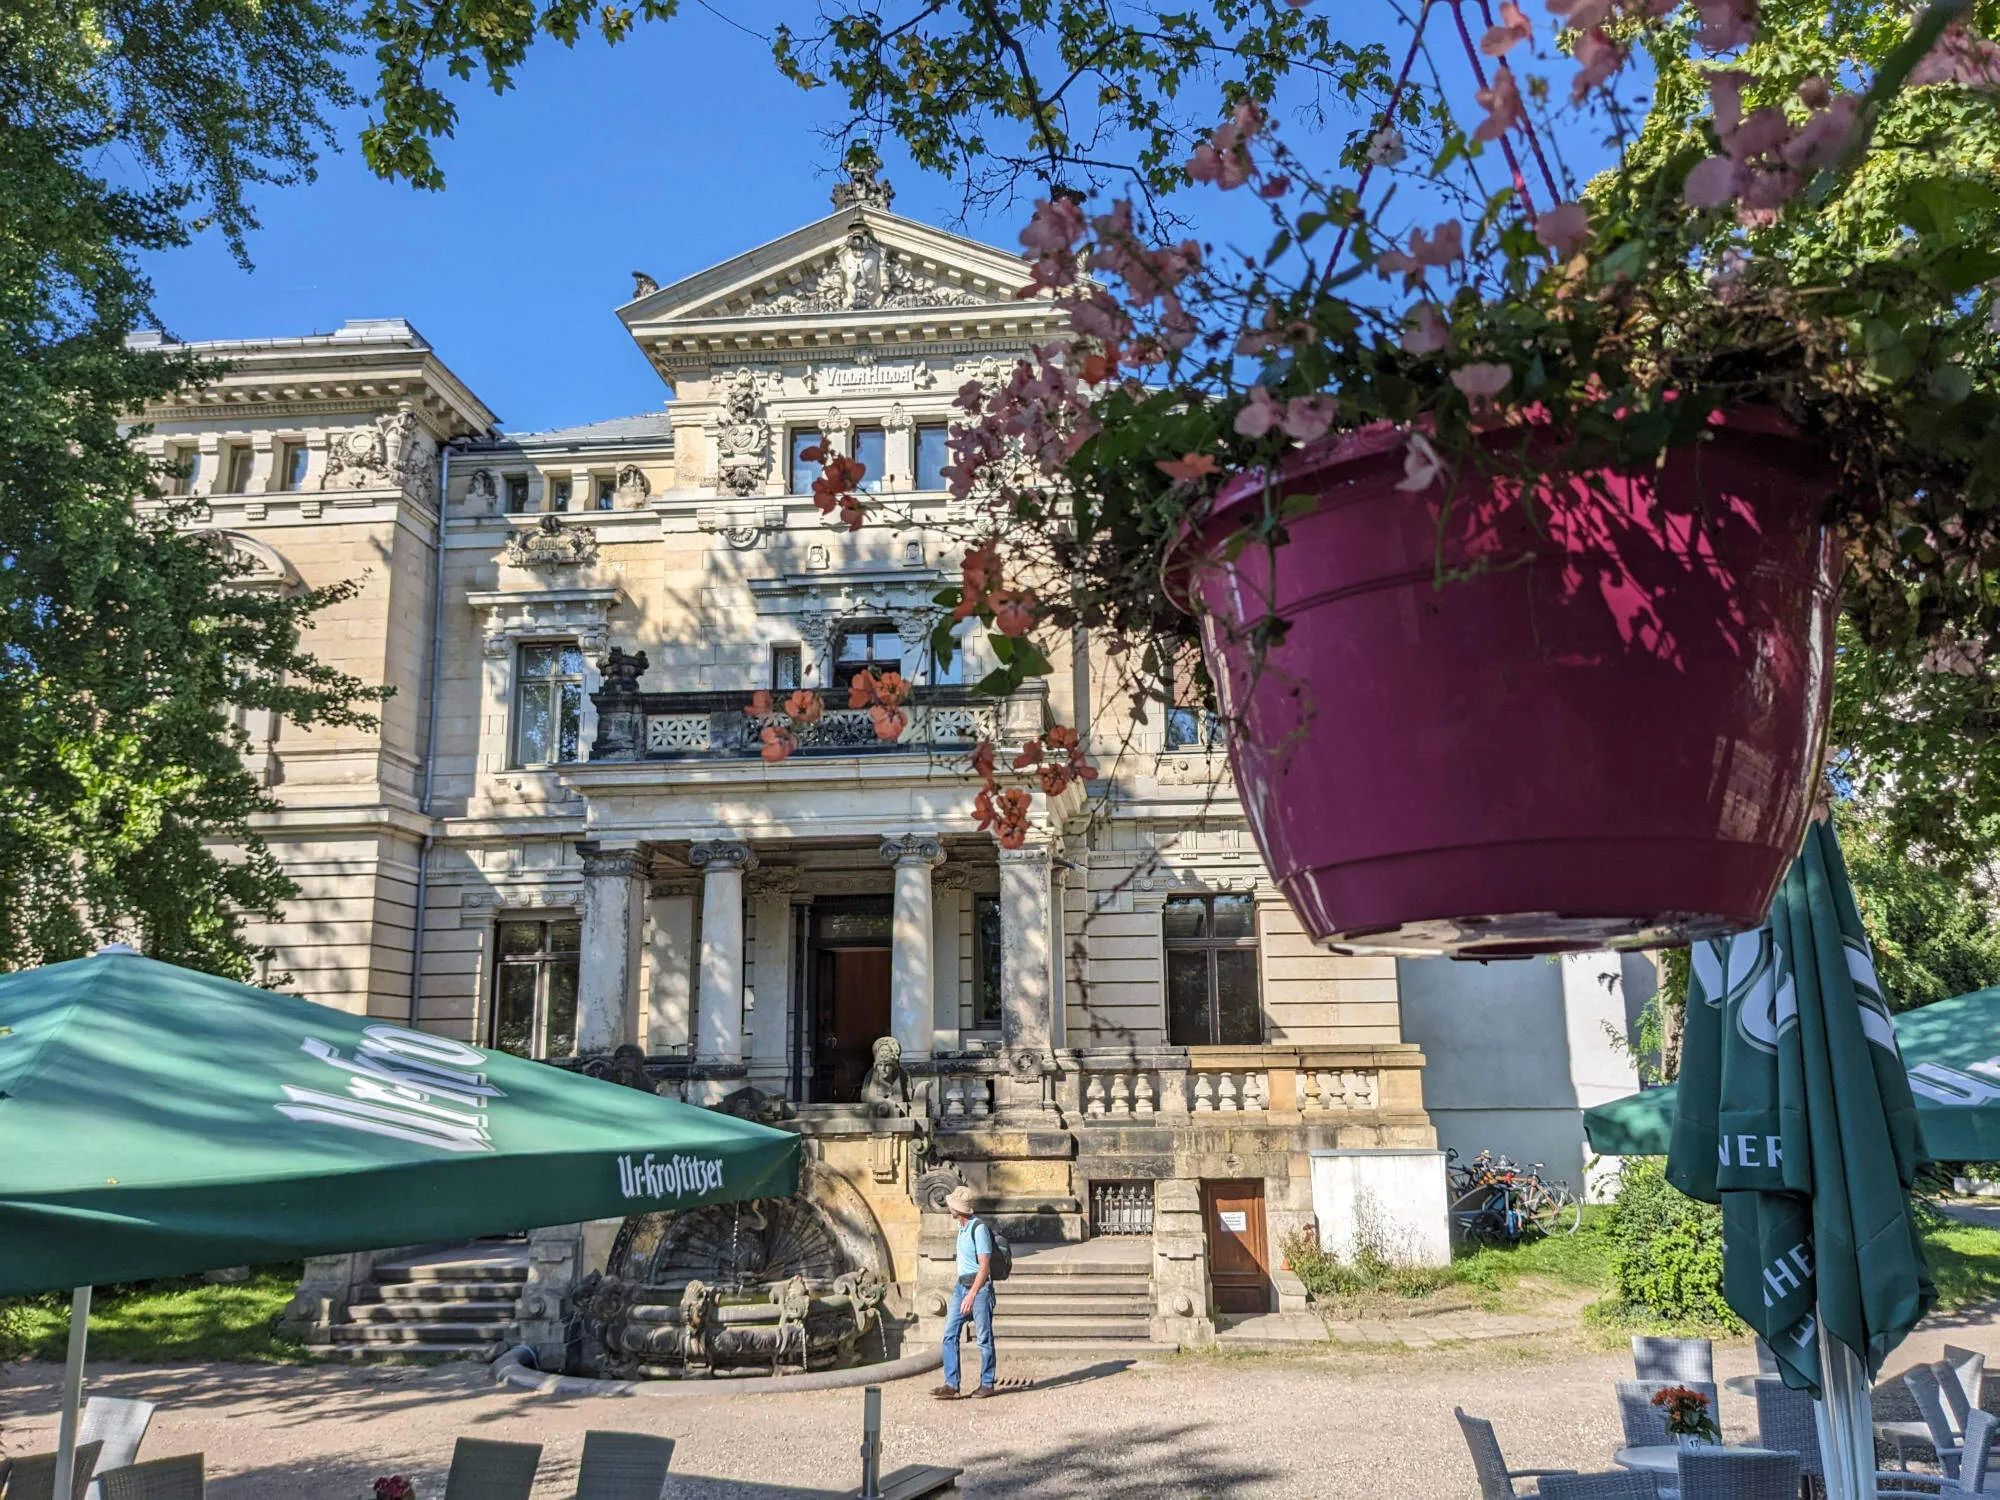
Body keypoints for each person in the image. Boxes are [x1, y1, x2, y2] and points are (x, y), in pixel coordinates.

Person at [933, 1184, 995, 1399]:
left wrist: (971, 1294)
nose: (948, 1207)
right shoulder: (961, 1228)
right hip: (961, 1286)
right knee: (949, 1334)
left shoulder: (979, 1229)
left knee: (983, 1338)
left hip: (979, 1289)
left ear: (958, 1209)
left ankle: (987, 1383)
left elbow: (984, 1267)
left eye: (951, 1205)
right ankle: (952, 1384)